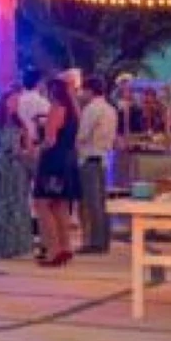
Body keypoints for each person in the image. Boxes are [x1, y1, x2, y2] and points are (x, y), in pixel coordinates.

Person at [32, 75, 83, 265]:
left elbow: (50, 139)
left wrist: (37, 150)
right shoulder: (74, 110)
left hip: (53, 160)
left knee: (42, 204)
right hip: (68, 160)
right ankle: (66, 246)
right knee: (60, 205)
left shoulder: (56, 109)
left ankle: (53, 250)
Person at [0, 89, 35, 262]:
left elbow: (29, 148)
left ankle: (14, 245)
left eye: (17, 102)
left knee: (16, 206)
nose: (16, 104)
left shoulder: (21, 124)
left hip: (15, 169)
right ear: (4, 102)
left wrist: (23, 153)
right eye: (13, 101)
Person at [75, 75, 117, 253]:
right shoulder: (110, 109)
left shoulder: (91, 109)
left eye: (83, 90)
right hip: (104, 158)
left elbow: (82, 135)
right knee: (101, 201)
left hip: (90, 158)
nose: (81, 94)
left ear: (90, 91)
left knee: (92, 203)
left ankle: (95, 242)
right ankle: (103, 240)